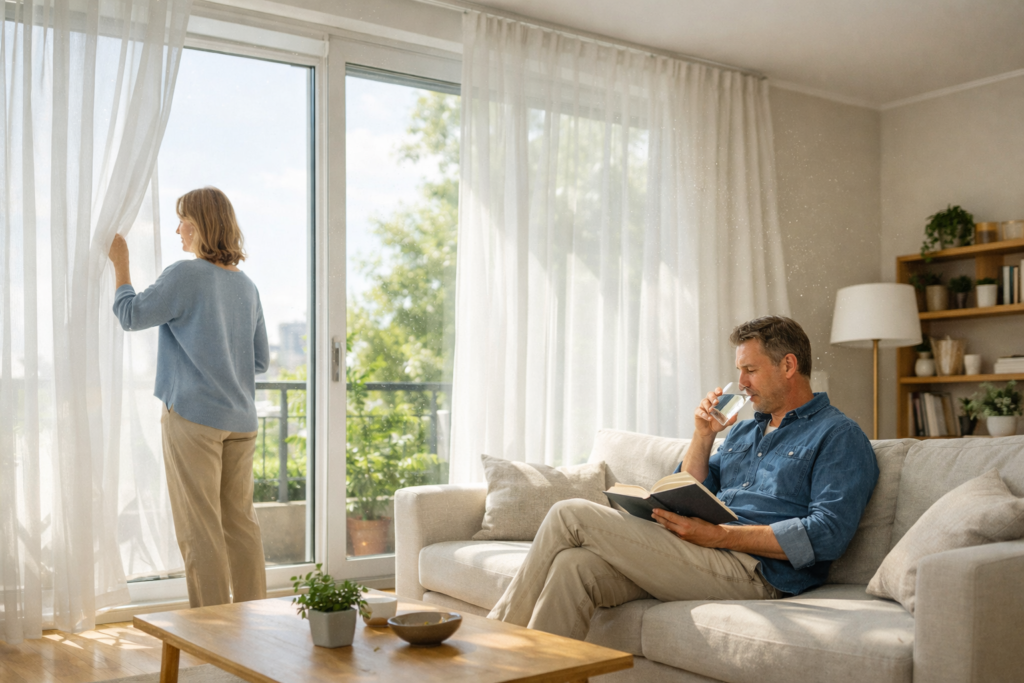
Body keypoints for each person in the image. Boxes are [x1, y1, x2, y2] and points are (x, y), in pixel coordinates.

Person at [488, 316, 879, 640]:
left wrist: (721, 536)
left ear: (789, 366)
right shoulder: (743, 432)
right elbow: (686, 489)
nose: (740, 383)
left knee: (569, 513)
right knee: (574, 568)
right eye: (739, 370)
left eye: (750, 370)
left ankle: (492, 643)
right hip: (700, 554)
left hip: (755, 571)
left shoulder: (838, 435)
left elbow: (827, 533)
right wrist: (704, 435)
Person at [108, 186, 269, 608]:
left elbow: (131, 316)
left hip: (193, 420)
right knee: (241, 524)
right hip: (242, 422)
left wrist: (121, 266)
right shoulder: (247, 287)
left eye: (183, 221)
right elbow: (260, 360)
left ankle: (213, 630)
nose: (177, 229)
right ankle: (255, 620)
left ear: (199, 227)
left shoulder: (185, 275)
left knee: (201, 528)